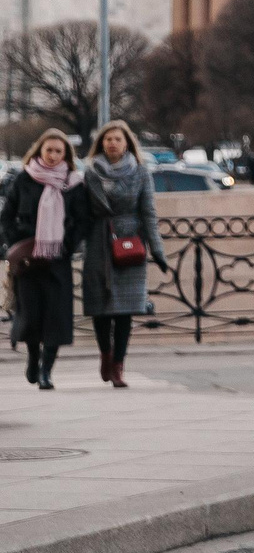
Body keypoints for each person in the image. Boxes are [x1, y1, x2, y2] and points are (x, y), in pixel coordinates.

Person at [4, 131, 91, 390]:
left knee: (56, 315)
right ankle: (33, 358)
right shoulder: (24, 178)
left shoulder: (73, 183)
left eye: (58, 151)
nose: (52, 156)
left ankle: (46, 371)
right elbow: (6, 215)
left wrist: (66, 246)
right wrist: (15, 242)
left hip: (57, 260)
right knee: (30, 314)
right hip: (29, 260)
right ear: (39, 150)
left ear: (66, 155)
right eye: (48, 150)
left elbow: (83, 220)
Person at [82, 120, 166, 388]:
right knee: (100, 308)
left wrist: (158, 250)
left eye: (117, 139)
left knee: (124, 312)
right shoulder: (90, 173)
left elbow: (149, 213)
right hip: (98, 241)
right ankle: (105, 353)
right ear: (101, 143)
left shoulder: (141, 173)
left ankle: (118, 365)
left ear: (127, 143)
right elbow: (79, 212)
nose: (112, 143)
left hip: (130, 244)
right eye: (108, 139)